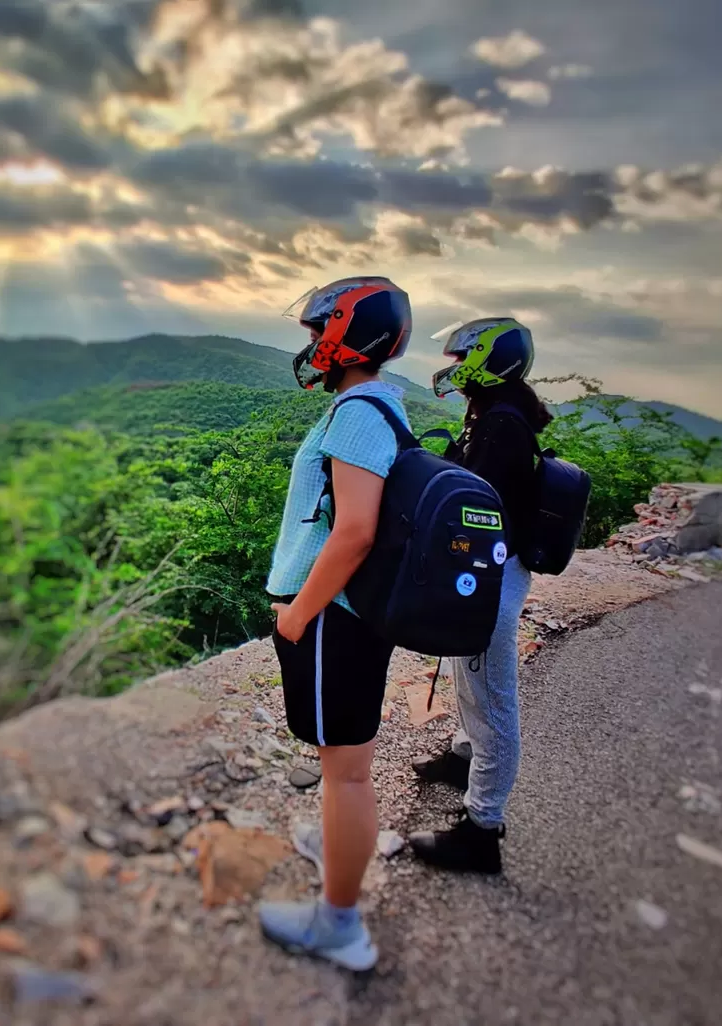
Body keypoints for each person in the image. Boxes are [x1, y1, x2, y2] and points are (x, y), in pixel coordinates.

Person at [257, 276, 413, 972]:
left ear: (353, 335)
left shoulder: (356, 414)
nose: (313, 344)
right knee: (343, 769)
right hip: (349, 622)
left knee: (346, 775)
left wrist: (296, 618)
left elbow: (351, 533)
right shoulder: (380, 406)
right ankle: (336, 845)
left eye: (322, 330)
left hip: (332, 622)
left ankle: (339, 927)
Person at [407, 316, 550, 875]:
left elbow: (475, 508)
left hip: (494, 577)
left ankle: (482, 828)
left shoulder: (501, 428)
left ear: (492, 362)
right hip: (495, 570)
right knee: (471, 674)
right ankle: (465, 756)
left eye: (464, 358)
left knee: (493, 696)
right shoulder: (496, 417)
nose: (455, 369)